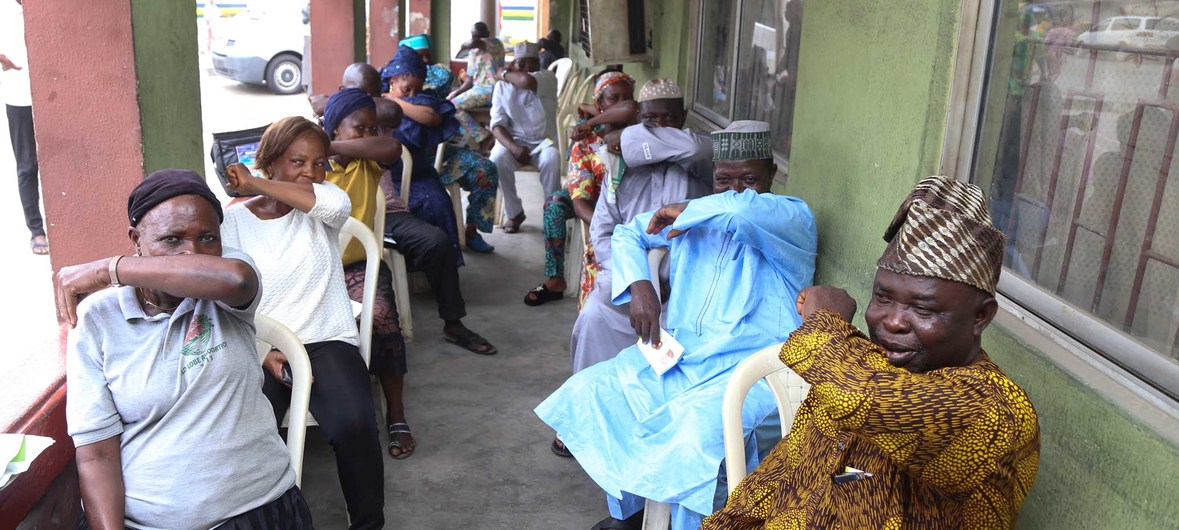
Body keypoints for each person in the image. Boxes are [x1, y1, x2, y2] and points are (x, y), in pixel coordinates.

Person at [701, 176, 1042, 529]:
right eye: (883, 297)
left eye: (923, 310)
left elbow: (866, 399)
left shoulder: (997, 410)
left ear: (980, 316)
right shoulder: (861, 368)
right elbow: (778, 483)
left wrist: (822, 322)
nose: (892, 322)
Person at [536, 121, 817, 530]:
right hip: (685, 359)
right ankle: (634, 514)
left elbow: (739, 209)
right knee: (592, 392)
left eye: (750, 178)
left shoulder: (790, 216)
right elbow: (627, 233)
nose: (736, 188)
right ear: (712, 175)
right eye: (724, 179)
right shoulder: (690, 216)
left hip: (751, 373)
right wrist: (641, 286)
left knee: (695, 438)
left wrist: (691, 209)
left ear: (772, 174)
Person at [60, 169, 311, 529]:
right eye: (172, 239)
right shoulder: (98, 320)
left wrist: (107, 269)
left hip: (255, 511)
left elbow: (234, 279)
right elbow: (96, 454)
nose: (194, 252)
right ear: (136, 240)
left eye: (207, 238)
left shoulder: (227, 285)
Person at [219, 116, 386, 528]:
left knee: (354, 425)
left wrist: (253, 183)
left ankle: (368, 524)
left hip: (326, 338)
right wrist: (262, 351)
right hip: (262, 349)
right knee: (247, 434)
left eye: (319, 163)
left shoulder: (326, 203)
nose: (311, 172)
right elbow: (228, 300)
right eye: (297, 162)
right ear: (271, 161)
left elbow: (320, 200)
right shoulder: (233, 223)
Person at [567, 78, 712, 376]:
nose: (660, 126)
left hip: (689, 277)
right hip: (630, 280)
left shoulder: (696, 156)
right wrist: (637, 280)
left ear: (682, 117)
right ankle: (594, 408)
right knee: (594, 316)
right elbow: (603, 233)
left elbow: (699, 150)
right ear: (638, 120)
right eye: (649, 119)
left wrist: (632, 139)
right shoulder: (620, 168)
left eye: (669, 117)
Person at [524, 71, 637, 307]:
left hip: (630, 207)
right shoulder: (586, 143)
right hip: (594, 202)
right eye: (613, 98)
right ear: (600, 104)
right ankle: (555, 279)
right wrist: (606, 229)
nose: (622, 103)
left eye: (627, 97)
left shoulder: (640, 136)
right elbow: (580, 201)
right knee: (554, 205)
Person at [384, 41, 501, 252]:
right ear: (393, 77)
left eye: (426, 56)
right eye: (420, 57)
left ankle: (472, 230)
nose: (425, 61)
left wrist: (398, 100)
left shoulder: (430, 85)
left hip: (440, 158)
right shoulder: (380, 94)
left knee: (486, 169)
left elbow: (432, 114)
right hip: (400, 169)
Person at [488, 41, 559, 233]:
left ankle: (553, 214)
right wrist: (513, 147)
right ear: (513, 64)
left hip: (544, 141)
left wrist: (503, 73)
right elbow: (496, 125)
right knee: (496, 159)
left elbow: (526, 81)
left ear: (539, 65)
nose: (528, 68)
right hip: (514, 141)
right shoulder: (501, 88)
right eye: (522, 64)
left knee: (552, 159)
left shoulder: (547, 77)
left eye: (532, 64)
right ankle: (514, 212)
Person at [0, 0, 47, 255]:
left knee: (59, 162)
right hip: (19, 96)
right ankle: (36, 230)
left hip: (53, 92)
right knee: (27, 165)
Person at [450, 22, 505, 152]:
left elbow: (474, 43)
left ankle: (483, 136)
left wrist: (464, 44)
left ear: (487, 34)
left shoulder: (494, 44)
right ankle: (477, 138)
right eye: (474, 36)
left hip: (492, 90)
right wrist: (456, 93)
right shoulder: (473, 52)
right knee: (449, 104)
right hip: (477, 90)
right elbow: (469, 80)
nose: (477, 39)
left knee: (452, 107)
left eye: (479, 36)